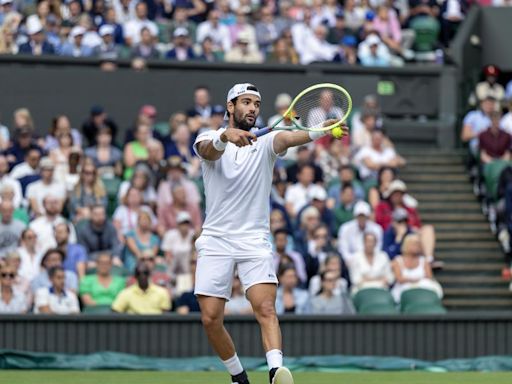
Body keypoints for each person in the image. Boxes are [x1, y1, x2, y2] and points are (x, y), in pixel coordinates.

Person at [192, 82, 347, 384]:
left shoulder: (267, 141)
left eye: (256, 104)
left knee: (265, 307)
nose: (252, 108)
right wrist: (226, 137)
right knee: (210, 318)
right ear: (230, 107)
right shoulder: (208, 136)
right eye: (246, 102)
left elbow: (291, 137)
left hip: (254, 239)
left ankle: (276, 371)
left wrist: (320, 130)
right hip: (216, 239)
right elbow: (208, 152)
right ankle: (239, 377)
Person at [391, 234, 443, 303]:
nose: (417, 247)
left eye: (418, 244)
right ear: (407, 245)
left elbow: (429, 277)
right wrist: (415, 279)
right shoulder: (397, 260)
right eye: (414, 244)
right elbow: (399, 279)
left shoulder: (424, 260)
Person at [337, 201, 383, 267]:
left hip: (371, 261)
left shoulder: (377, 229)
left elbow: (377, 248)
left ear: (368, 217)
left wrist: (367, 261)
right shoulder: (345, 228)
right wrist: (355, 261)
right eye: (359, 216)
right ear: (355, 216)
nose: (362, 219)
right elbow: (344, 250)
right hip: (351, 262)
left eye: (364, 216)